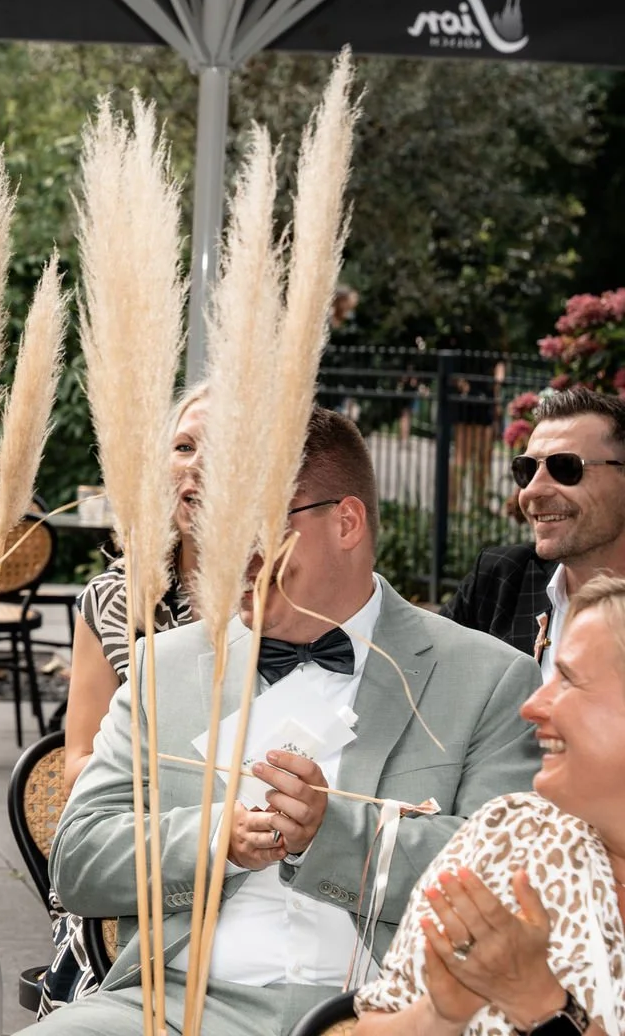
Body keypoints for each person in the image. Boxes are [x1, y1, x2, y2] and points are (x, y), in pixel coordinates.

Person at [43, 407, 542, 1036]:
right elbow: (79, 862)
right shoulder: (160, 669)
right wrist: (213, 837)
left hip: (390, 1010)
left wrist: (330, 834)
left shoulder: (491, 677)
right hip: (174, 1006)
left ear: (346, 522)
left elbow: (503, 881)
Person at [355, 574, 625, 1036]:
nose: (533, 705)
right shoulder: (510, 833)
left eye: (569, 681)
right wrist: (441, 1014)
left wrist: (540, 1003)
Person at [62, 386, 205, 791]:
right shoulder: (115, 600)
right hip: (148, 839)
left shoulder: (286, 599)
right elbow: (77, 764)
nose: (198, 463)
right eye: (184, 446)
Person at [447, 387, 625, 672]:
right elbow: (414, 677)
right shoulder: (502, 580)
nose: (532, 490)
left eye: (565, 467)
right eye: (526, 470)